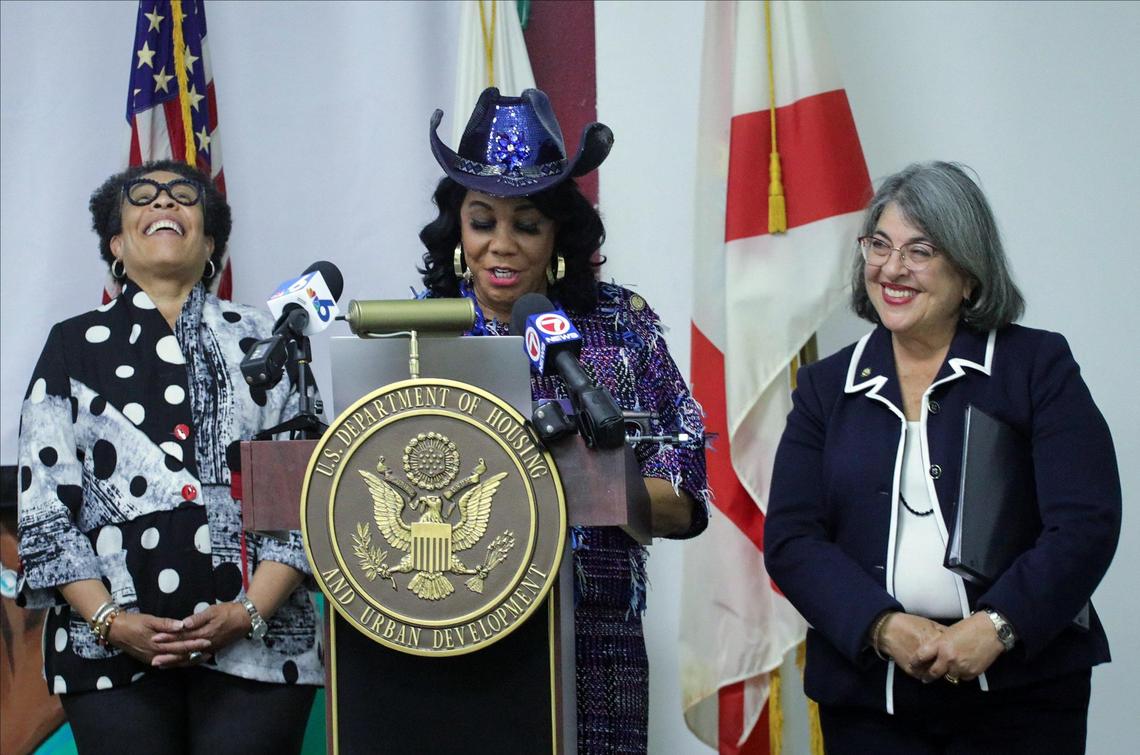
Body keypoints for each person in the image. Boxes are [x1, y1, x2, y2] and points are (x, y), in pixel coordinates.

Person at [763, 162, 1120, 754]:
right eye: (879, 245)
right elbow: (793, 539)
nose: (892, 269)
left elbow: (1085, 521)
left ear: (970, 275)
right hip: (869, 698)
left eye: (920, 250)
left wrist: (999, 625)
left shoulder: (1036, 367)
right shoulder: (827, 388)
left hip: (1021, 695)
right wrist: (882, 626)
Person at [419, 87, 708, 753]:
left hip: (594, 639)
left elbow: (686, 492)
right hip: (447, 630)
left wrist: (585, 480)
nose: (502, 244)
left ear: (559, 234)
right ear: (457, 230)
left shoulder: (620, 325)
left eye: (526, 223)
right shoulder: (420, 334)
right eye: (482, 220)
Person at [16, 160, 322, 754]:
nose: (164, 203)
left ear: (209, 242)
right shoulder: (70, 345)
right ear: (116, 243)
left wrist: (248, 613)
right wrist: (110, 620)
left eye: (184, 197)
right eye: (144, 198)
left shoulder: (271, 341)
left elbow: (304, 498)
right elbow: (45, 509)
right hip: (104, 650)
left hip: (260, 649)